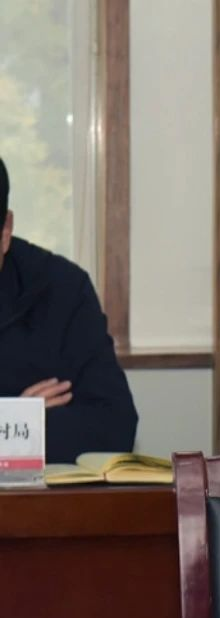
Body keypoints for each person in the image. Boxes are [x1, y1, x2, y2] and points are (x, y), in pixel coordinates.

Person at [0, 156, 137, 462]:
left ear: (5, 232)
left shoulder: (60, 289)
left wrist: (17, 429)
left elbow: (115, 427)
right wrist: (17, 422)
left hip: (36, 492)